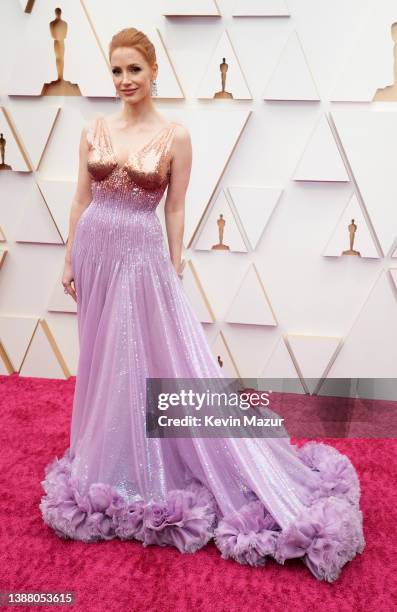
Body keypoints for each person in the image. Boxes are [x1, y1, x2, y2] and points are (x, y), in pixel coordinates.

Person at [39, 27, 365, 583]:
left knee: (150, 359)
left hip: (142, 257)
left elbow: (175, 209)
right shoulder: (92, 130)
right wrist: (69, 259)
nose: (124, 81)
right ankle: (103, 456)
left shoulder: (175, 136)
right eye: (116, 71)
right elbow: (79, 198)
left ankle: (149, 463)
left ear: (154, 71)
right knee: (99, 358)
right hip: (95, 252)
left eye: (134, 70)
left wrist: (174, 265)